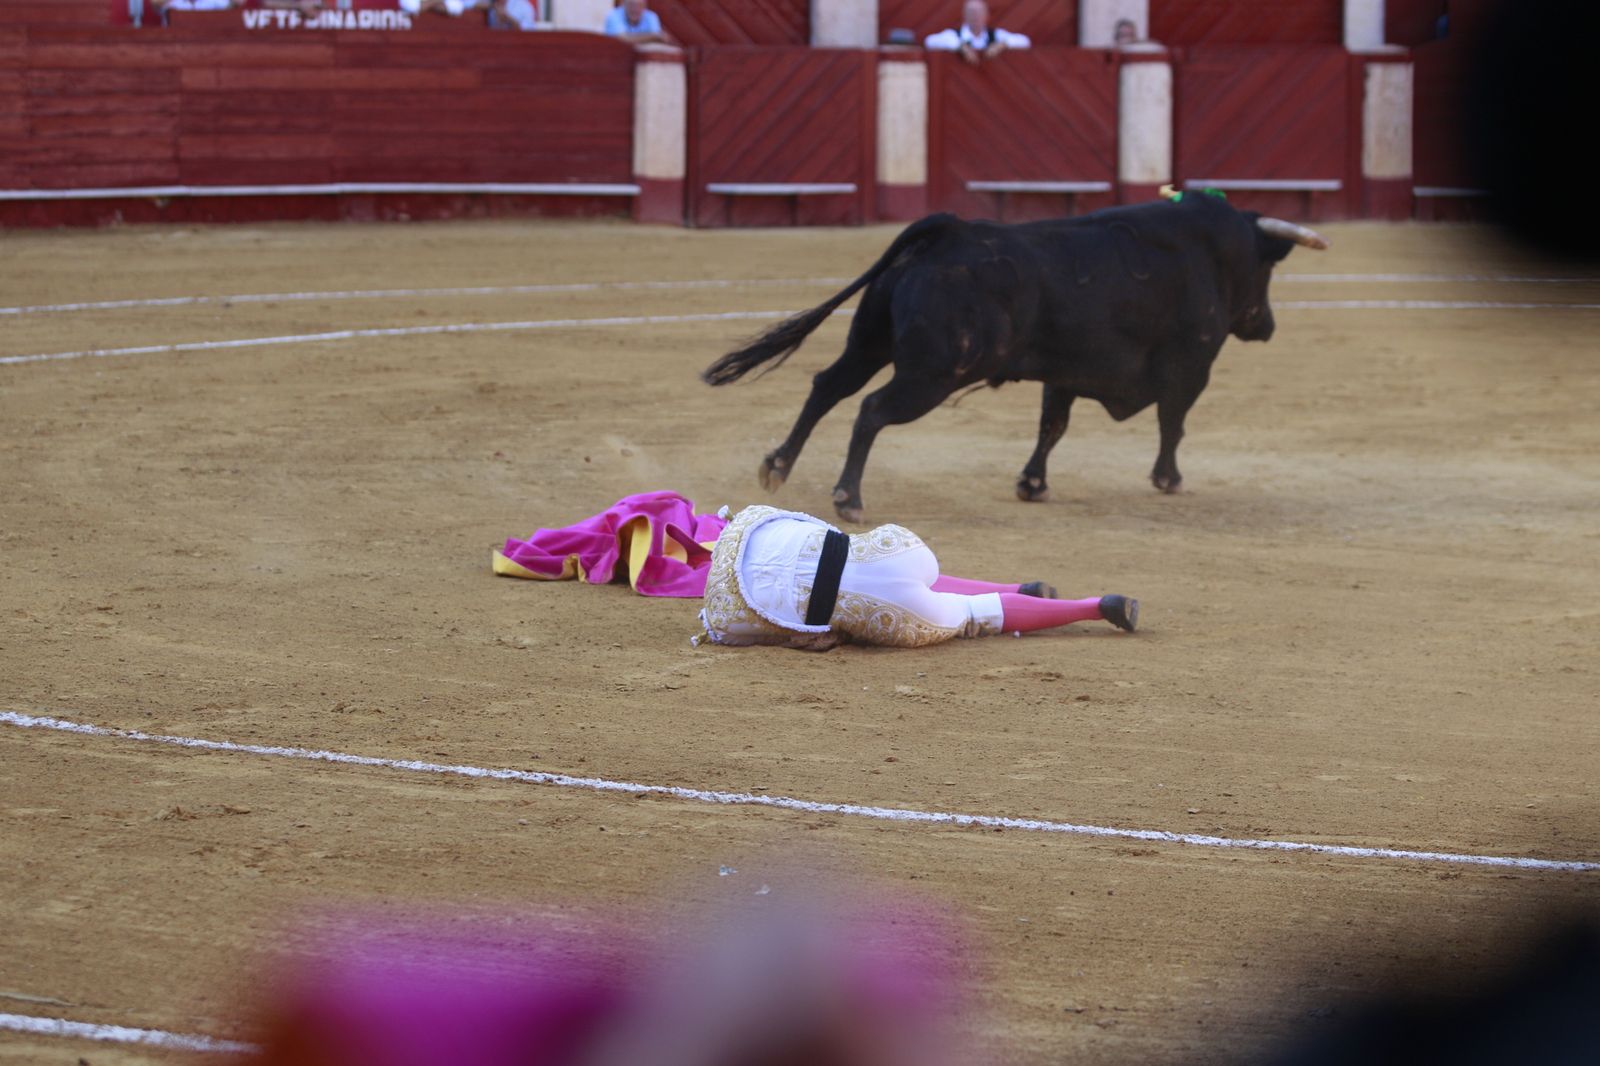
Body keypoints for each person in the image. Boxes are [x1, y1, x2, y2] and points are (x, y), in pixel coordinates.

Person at [697, 505, 1137, 650]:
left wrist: (837, 633)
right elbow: (815, 525)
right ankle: (1019, 589)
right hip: (898, 549)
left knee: (969, 615)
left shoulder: (724, 618)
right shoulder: (750, 523)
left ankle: (1095, 608)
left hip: (891, 613)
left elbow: (807, 637)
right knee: (916, 574)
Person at [923, 0, 1031, 65]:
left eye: (979, 13)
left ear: (986, 15)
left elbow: (1025, 41)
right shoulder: (954, 35)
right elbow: (930, 41)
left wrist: (1001, 45)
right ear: (964, 15)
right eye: (971, 13)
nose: (975, 16)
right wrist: (961, 47)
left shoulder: (995, 35)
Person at [604, 0, 672, 44]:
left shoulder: (651, 17)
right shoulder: (613, 15)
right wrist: (653, 36)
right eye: (631, 4)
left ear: (644, 6)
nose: (635, 9)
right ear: (623, 4)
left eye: (639, 5)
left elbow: (660, 41)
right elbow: (622, 39)